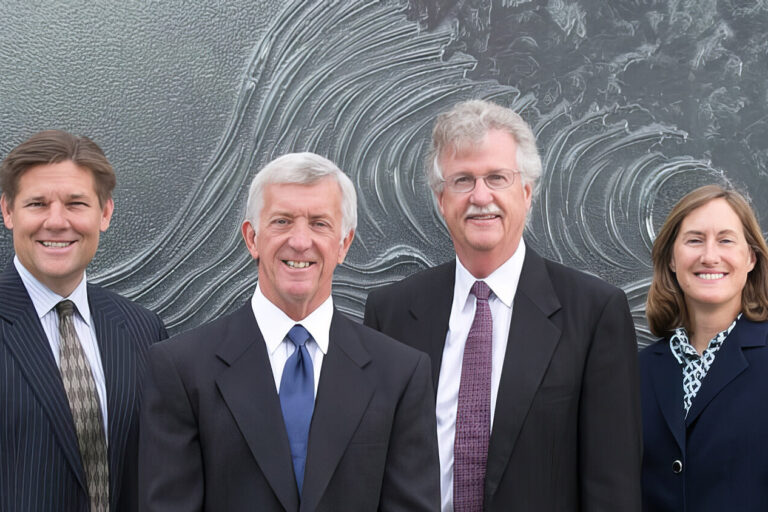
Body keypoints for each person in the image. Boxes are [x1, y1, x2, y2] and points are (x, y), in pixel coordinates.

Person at [364, 99, 642, 511]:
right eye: (462, 180)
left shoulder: (594, 313)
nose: (481, 196)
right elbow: (373, 469)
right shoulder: (391, 313)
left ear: (527, 192)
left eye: (497, 178)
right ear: (441, 200)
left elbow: (612, 487)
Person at [139, 152, 440, 511]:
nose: (300, 241)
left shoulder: (401, 374)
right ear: (252, 238)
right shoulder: (181, 369)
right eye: (282, 221)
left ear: (343, 244)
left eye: (319, 223)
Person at [0, 130, 168, 512]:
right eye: (37, 204)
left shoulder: (143, 330)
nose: (57, 222)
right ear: (8, 212)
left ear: (104, 213)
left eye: (76, 203)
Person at [641, 184, 768, 511]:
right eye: (695, 240)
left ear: (751, 258)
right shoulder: (637, 370)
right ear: (672, 258)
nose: (710, 256)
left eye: (726, 240)